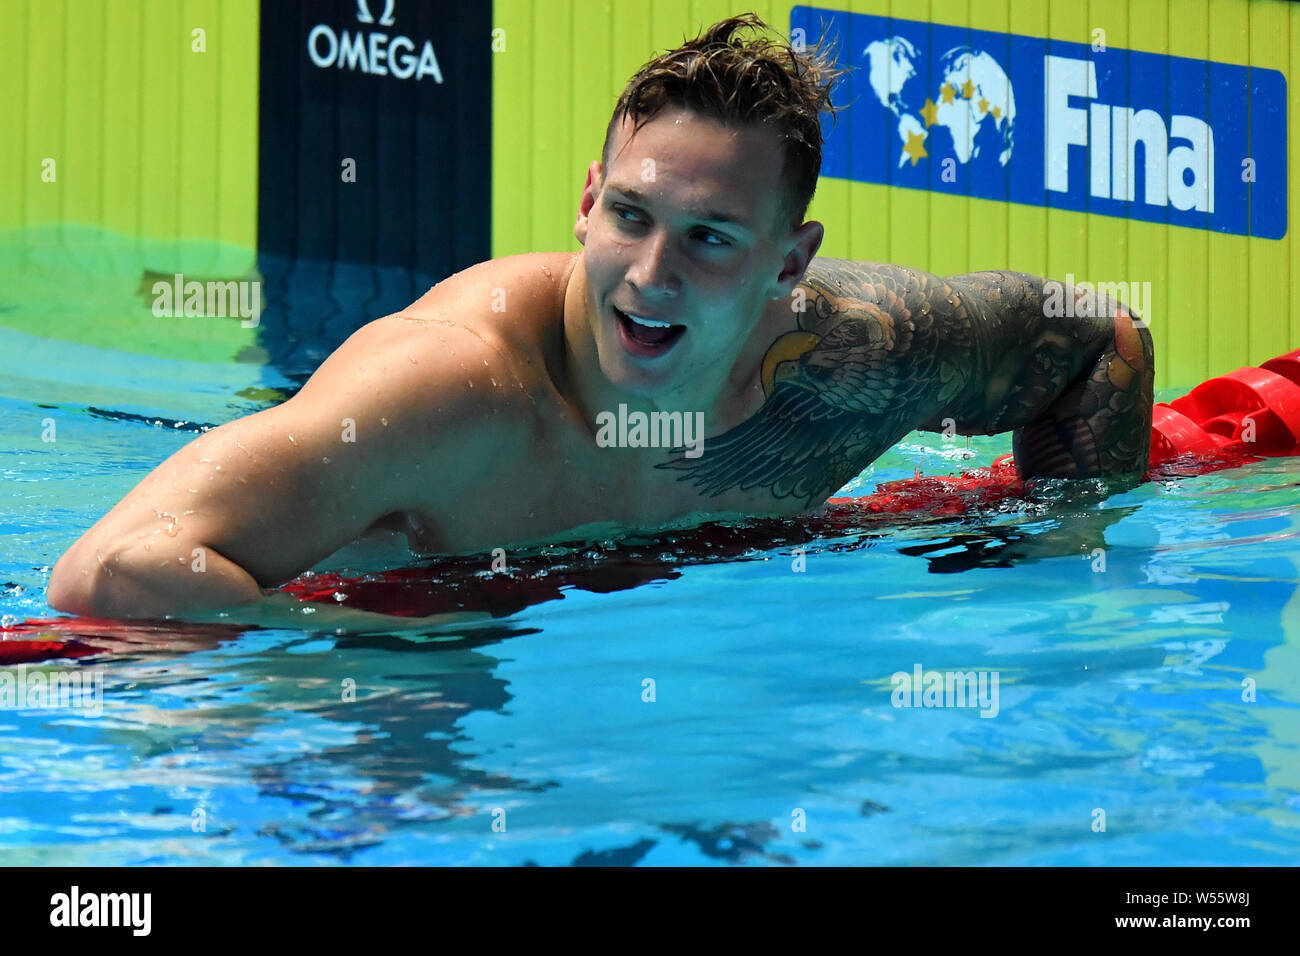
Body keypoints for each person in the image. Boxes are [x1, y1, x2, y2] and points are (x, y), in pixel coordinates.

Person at [48, 13, 1153, 628]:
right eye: (629, 216)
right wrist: (352, 641)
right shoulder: (446, 391)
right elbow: (111, 571)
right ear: (586, 201)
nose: (650, 274)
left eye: (712, 236)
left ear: (790, 260)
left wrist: (1053, 562)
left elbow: (1101, 344)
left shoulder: (852, 359)